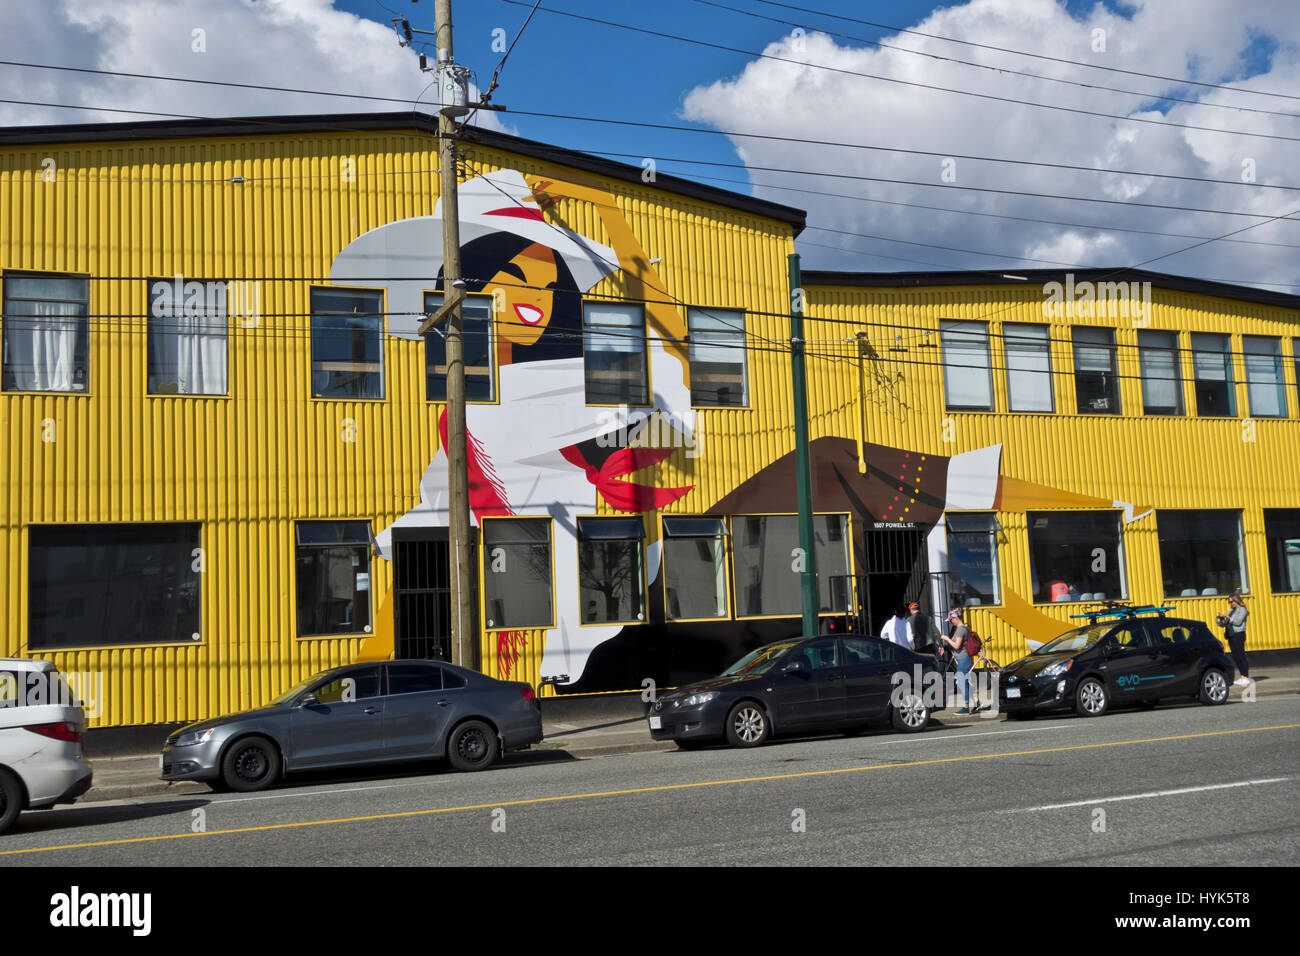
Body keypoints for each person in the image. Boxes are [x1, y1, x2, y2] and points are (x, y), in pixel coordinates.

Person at [939, 610, 987, 714]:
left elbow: (956, 645)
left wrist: (946, 639)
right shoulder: (963, 629)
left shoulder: (960, 630)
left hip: (963, 659)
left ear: (955, 618)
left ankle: (965, 707)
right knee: (964, 682)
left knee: (961, 682)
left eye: (951, 620)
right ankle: (977, 702)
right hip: (964, 659)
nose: (950, 622)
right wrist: (945, 647)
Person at [1218, 594, 1251, 687]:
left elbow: (1238, 622)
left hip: (1239, 634)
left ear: (1237, 600)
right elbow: (1228, 622)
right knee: (1236, 656)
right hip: (1231, 634)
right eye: (1229, 602)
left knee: (1241, 655)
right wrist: (1222, 620)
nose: (1230, 603)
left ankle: (1246, 677)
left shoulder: (1242, 610)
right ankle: (1242, 676)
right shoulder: (1231, 610)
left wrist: (1228, 618)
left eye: (1232, 601)